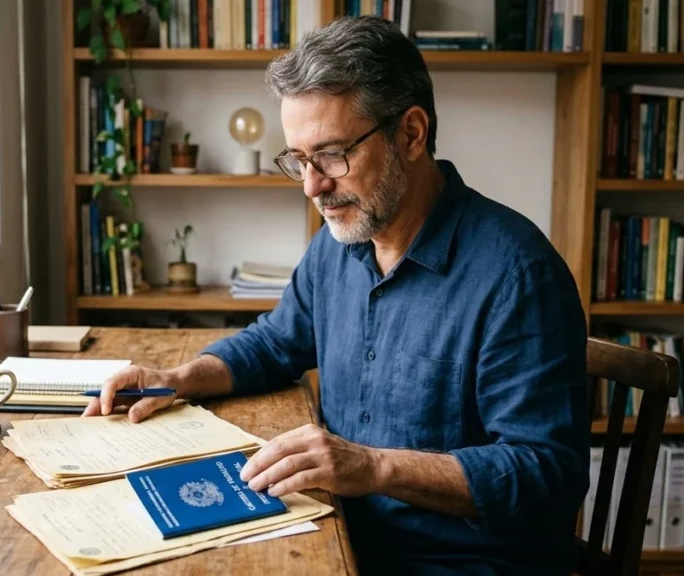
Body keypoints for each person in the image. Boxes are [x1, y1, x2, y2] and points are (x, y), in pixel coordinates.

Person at [83, 15, 591, 576]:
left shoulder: (517, 273)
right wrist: (175, 379)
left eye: (330, 155)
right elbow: (277, 343)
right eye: (299, 160)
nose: (312, 186)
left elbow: (545, 472)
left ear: (411, 133)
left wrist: (372, 467)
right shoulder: (339, 243)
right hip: (337, 531)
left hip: (455, 562)